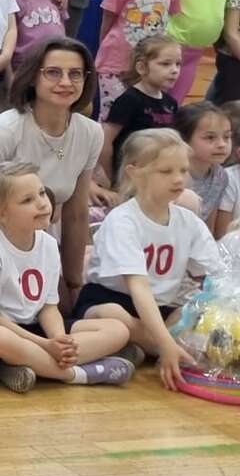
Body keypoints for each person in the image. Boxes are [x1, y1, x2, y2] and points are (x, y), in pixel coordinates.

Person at [0, 163, 134, 389]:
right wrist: (45, 344)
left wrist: (59, 341)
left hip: (36, 329)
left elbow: (48, 307)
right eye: (27, 200)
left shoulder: (48, 244)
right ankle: (76, 374)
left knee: (118, 329)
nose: (42, 203)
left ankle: (31, 365)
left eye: (41, 193)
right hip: (4, 329)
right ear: (0, 214)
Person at [0, 40, 106, 299]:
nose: (66, 82)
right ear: (34, 76)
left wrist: (73, 285)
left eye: (75, 73)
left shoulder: (90, 132)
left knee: (72, 309)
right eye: (53, 72)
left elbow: (76, 214)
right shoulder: (8, 127)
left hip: (43, 249)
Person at [72, 129, 214, 390]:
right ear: (134, 172)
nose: (178, 178)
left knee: (194, 311)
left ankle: (137, 349)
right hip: (112, 300)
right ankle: (156, 347)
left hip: (161, 308)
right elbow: (138, 287)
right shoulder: (123, 221)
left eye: (183, 170)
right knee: (116, 318)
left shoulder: (189, 222)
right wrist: (166, 341)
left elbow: (215, 276)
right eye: (166, 171)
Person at [98, 35, 183, 186]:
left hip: (158, 176)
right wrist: (112, 177)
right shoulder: (129, 100)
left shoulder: (171, 103)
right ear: (142, 68)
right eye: (165, 64)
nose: (174, 70)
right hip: (131, 177)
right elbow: (106, 140)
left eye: (178, 64)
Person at [178, 102, 236, 241]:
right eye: (210, 137)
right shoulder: (174, 175)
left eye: (227, 137)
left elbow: (208, 228)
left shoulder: (220, 175)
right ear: (184, 140)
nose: (222, 144)